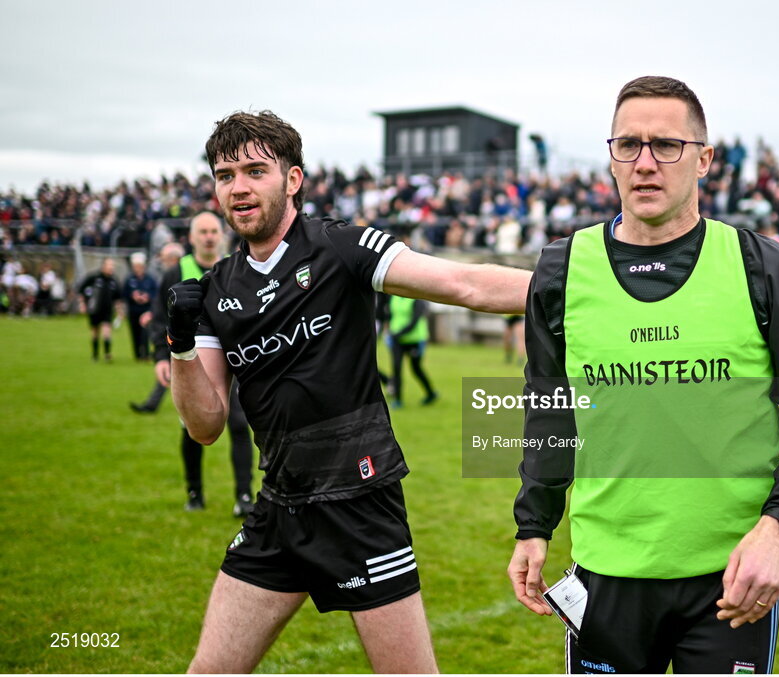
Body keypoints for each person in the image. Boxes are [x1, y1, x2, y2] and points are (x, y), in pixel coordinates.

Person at [507, 76, 779, 674]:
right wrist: (534, 524)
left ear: (704, 159)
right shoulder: (562, 271)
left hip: (729, 581)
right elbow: (551, 410)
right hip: (605, 573)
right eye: (628, 145)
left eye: (666, 145)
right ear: (610, 156)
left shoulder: (762, 268)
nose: (645, 163)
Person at [168, 110, 530, 673]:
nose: (238, 186)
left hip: (360, 504)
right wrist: (182, 344)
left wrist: (583, 289)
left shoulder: (340, 247)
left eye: (255, 170)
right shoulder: (214, 292)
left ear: (292, 181)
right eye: (224, 174)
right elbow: (205, 425)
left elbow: (466, 284)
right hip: (280, 507)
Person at [150, 213, 256, 515]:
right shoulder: (176, 272)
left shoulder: (236, 268)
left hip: (234, 362)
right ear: (192, 237)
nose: (209, 236)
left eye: (213, 231)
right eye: (203, 232)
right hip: (190, 362)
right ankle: (194, 493)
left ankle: (244, 497)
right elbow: (160, 318)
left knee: (238, 424)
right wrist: (161, 357)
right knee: (193, 429)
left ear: (222, 235)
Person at [130, 242, 184, 413]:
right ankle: (152, 404)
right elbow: (164, 303)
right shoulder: (170, 275)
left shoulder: (182, 274)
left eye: (165, 258)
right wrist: (153, 315)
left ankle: (153, 404)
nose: (162, 262)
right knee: (168, 365)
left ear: (174, 259)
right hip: (171, 331)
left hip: (185, 334)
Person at [386, 293, 437, 408]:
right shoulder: (394, 297)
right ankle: (398, 400)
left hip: (414, 340)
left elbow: (414, 321)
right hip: (397, 340)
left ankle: (431, 393)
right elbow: (389, 316)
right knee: (396, 368)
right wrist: (389, 331)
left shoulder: (417, 300)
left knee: (416, 369)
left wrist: (397, 334)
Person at [77, 257, 122, 362]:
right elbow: (80, 290)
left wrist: (120, 311)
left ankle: (107, 355)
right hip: (94, 310)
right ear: (103, 266)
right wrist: (82, 304)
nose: (112, 268)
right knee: (95, 332)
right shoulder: (93, 278)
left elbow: (117, 299)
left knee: (107, 333)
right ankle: (95, 355)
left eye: (113, 266)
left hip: (107, 311)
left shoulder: (114, 281)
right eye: (109, 265)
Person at [123, 252, 158, 361]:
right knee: (135, 332)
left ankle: (146, 354)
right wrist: (133, 296)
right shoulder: (129, 279)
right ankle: (137, 354)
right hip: (133, 310)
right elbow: (124, 293)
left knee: (145, 333)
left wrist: (148, 297)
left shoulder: (150, 279)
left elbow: (156, 293)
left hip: (146, 310)